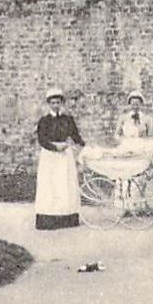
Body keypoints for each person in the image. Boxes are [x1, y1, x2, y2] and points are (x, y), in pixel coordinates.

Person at [34, 89, 85, 230]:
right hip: (50, 156)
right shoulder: (44, 121)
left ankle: (67, 217)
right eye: (53, 102)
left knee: (65, 184)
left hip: (65, 156)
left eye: (58, 102)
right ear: (49, 104)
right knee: (50, 186)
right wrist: (55, 147)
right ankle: (48, 218)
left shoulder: (68, 119)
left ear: (62, 103)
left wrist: (84, 146)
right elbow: (42, 139)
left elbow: (75, 135)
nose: (55, 105)